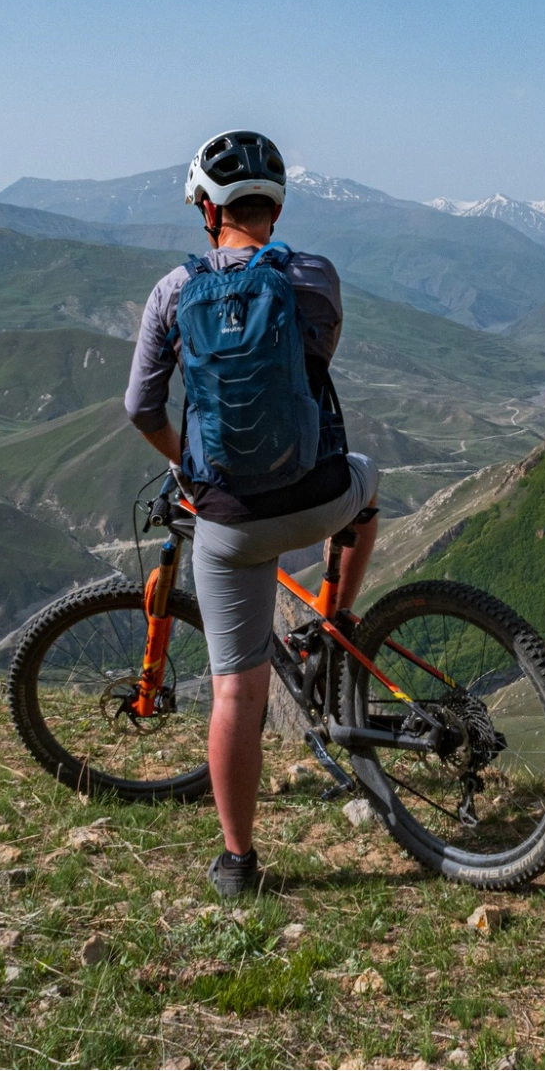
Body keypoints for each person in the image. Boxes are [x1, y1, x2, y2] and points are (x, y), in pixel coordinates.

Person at [123, 129, 380, 897]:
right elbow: (313, 367)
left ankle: (238, 863)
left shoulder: (173, 291)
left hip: (228, 522)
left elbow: (140, 406)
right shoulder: (314, 276)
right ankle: (334, 621)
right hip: (314, 500)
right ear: (274, 205)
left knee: (237, 689)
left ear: (208, 209)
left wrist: (186, 463)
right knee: (367, 486)